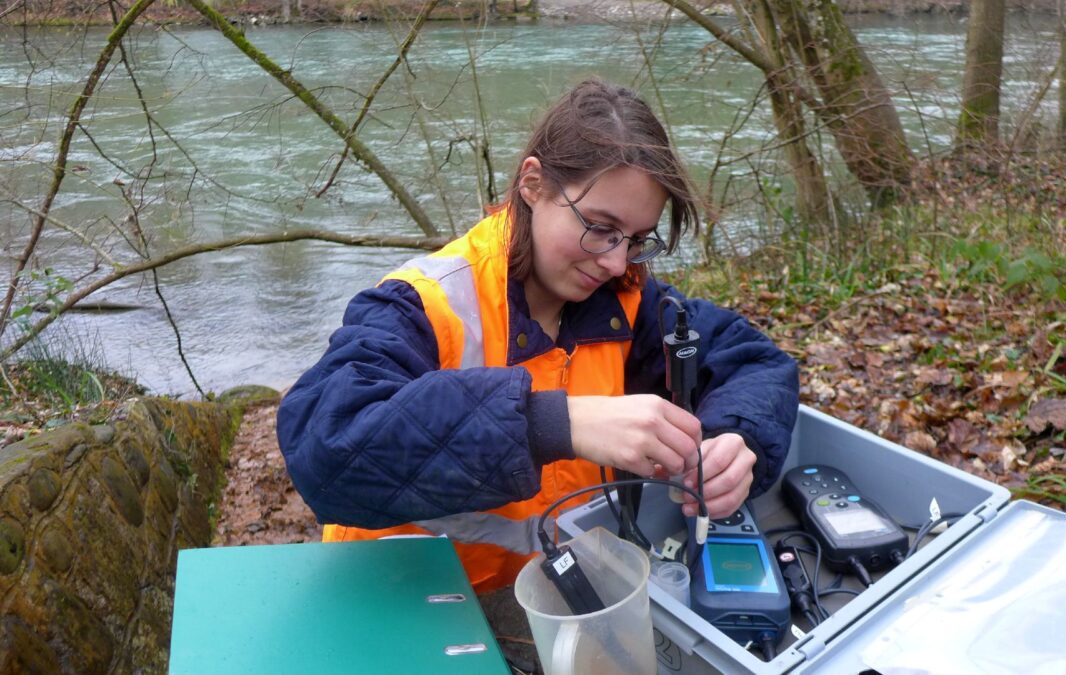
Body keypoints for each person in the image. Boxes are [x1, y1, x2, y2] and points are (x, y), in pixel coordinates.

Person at [277, 78, 799, 594]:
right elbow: (325, 448)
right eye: (599, 227)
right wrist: (551, 422)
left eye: (637, 240)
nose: (616, 261)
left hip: (552, 601)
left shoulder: (626, 302)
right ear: (533, 184)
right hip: (396, 601)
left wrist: (736, 440)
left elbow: (755, 363)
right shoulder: (421, 304)